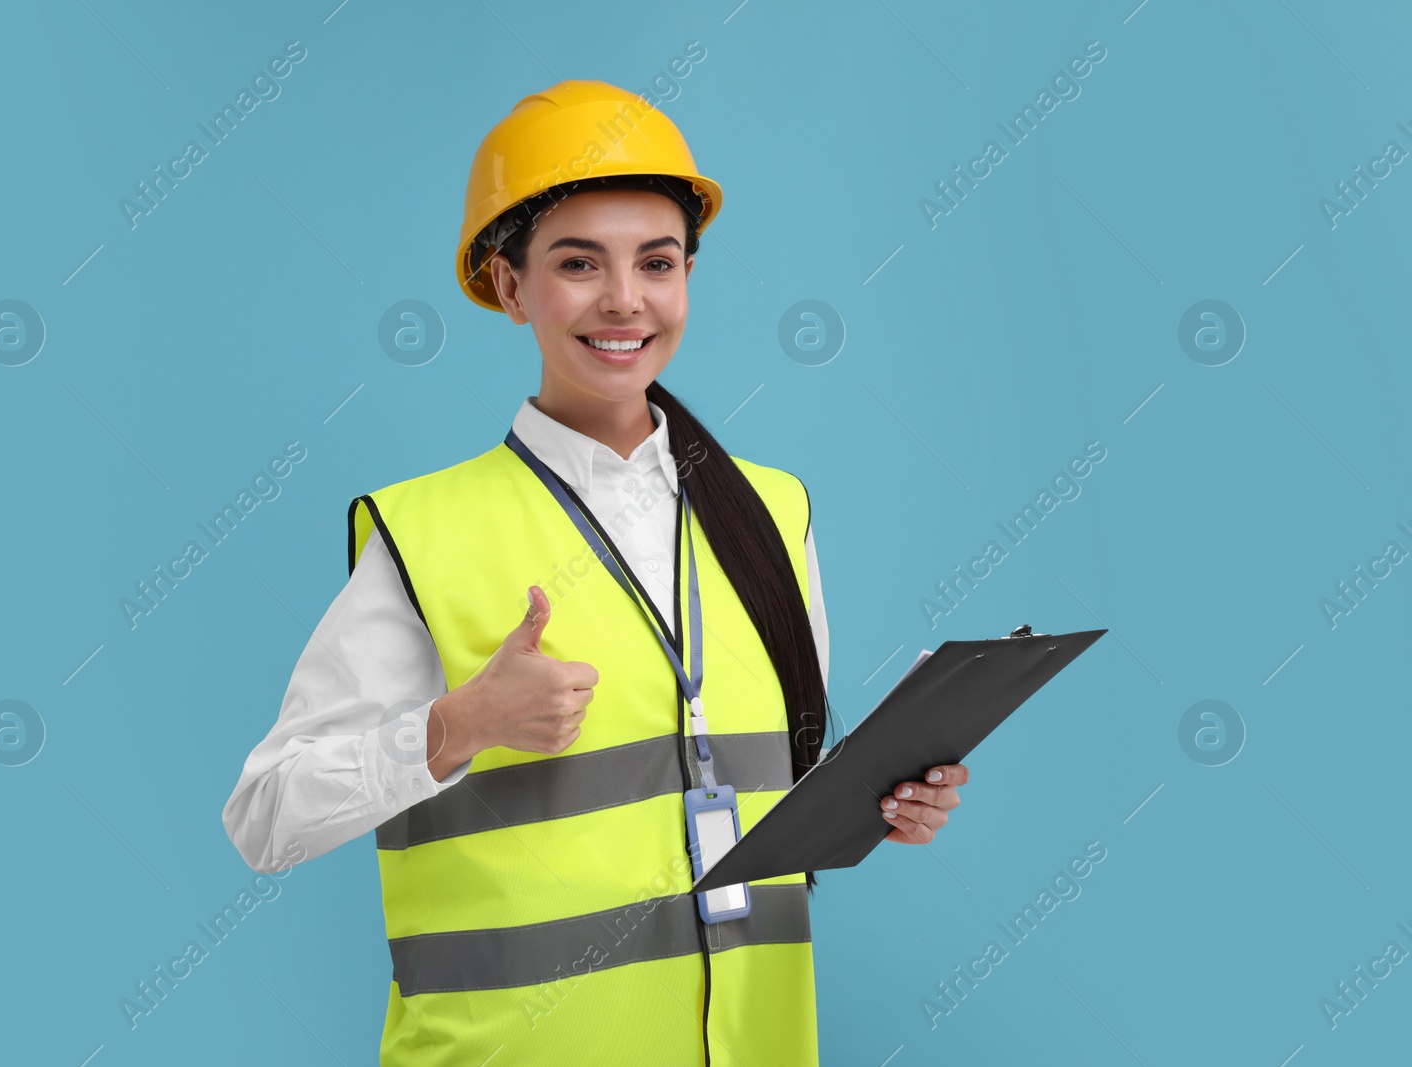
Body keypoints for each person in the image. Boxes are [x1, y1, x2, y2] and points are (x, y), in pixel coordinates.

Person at [222, 79, 969, 1066]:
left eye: (656, 262)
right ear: (507, 284)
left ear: (689, 276)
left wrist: (879, 799)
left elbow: (761, 788)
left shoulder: (771, 511)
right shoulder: (426, 532)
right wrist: (459, 725)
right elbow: (264, 818)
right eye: (578, 263)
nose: (624, 299)